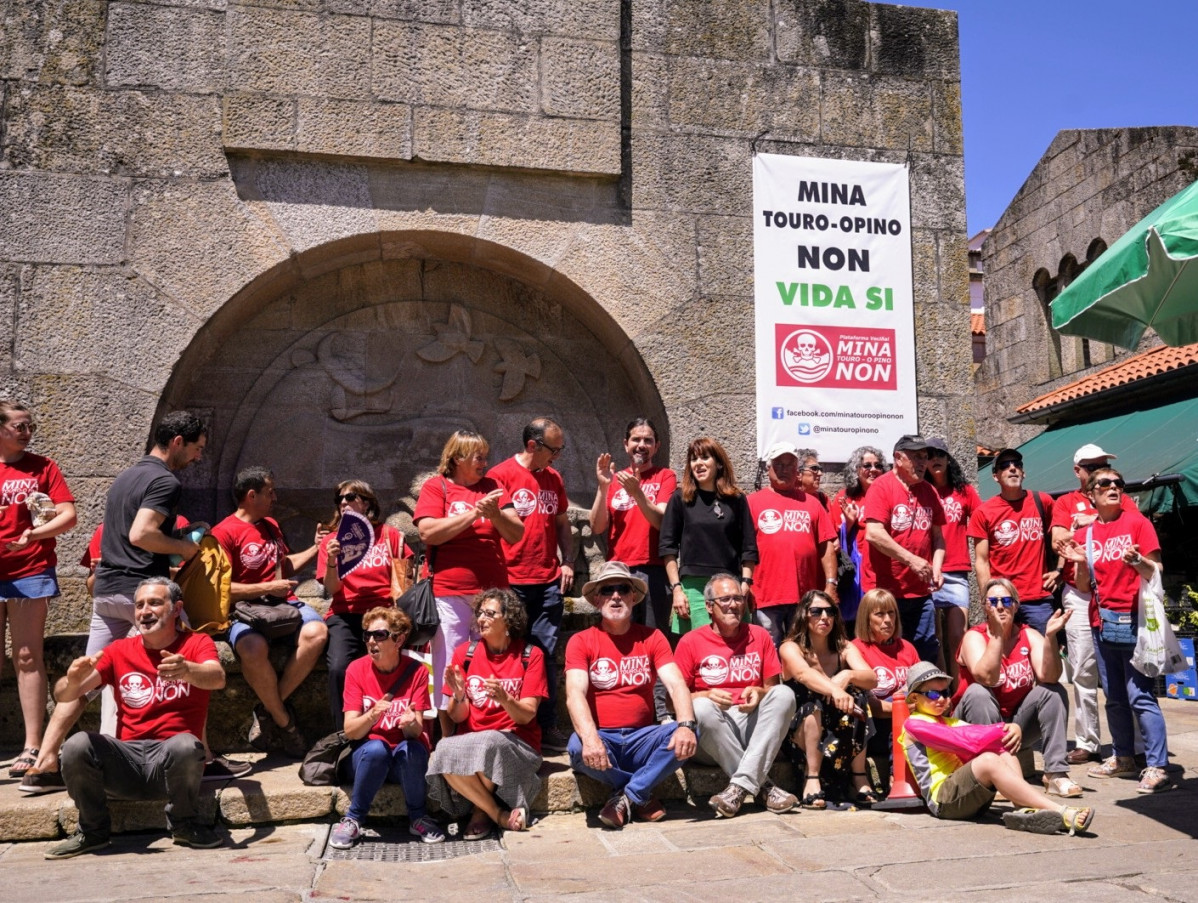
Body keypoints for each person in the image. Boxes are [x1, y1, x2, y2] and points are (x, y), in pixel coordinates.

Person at [20, 411, 207, 795]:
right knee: (190, 666)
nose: (198, 458)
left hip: (106, 592)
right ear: (177, 442)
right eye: (196, 449)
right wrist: (184, 548)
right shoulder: (164, 480)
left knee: (86, 680)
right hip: (143, 595)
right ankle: (206, 757)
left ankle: (43, 763)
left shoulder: (126, 476)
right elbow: (142, 534)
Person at [45, 577, 226, 858]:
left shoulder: (196, 643)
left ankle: (185, 824)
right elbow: (65, 696)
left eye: (154, 602)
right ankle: (92, 832)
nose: (144, 611)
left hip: (171, 764)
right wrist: (71, 680)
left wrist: (187, 669)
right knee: (77, 745)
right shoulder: (119, 650)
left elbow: (217, 677)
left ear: (176, 608)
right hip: (126, 761)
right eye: (139, 605)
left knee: (186, 745)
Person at [1061, 467, 1173, 793]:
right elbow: (1083, 585)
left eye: (1117, 483)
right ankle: (1123, 757)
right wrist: (1080, 560)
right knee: (1114, 696)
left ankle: (1157, 765)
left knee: (1141, 695)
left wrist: (1138, 560)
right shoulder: (1088, 534)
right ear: (1091, 495)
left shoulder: (1138, 523)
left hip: (1136, 621)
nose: (1113, 487)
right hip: (1103, 622)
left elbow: (1157, 571)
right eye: (1104, 484)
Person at [564, 561, 698, 829]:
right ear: (596, 600)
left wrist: (685, 725)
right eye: (607, 590)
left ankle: (626, 796)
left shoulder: (652, 637)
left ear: (634, 597)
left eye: (623, 589)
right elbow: (574, 694)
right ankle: (641, 792)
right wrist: (591, 738)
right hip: (604, 739)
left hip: (643, 738)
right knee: (577, 747)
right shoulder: (581, 641)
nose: (616, 596)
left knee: (692, 729)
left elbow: (676, 684)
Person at [212, 466, 328, 758]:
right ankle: (285, 722)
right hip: (244, 610)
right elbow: (218, 588)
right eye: (269, 492)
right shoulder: (222, 533)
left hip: (283, 605)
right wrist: (264, 587)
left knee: (317, 632)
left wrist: (316, 548)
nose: (275, 497)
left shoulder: (270, 525)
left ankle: (266, 710)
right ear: (251, 495)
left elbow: (283, 566)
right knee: (252, 648)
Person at [900, 662, 1095, 836]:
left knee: (1005, 747)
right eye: (933, 694)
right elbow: (967, 741)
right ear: (915, 698)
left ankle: (1023, 808)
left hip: (966, 796)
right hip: (943, 801)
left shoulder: (950, 721)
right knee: (989, 759)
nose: (941, 699)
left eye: (945, 693)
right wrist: (1004, 728)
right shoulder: (914, 725)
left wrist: (1012, 730)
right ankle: (1060, 811)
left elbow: (980, 733)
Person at [414, 430, 523, 739]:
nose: (484, 462)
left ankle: (484, 729)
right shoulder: (437, 488)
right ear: (457, 458)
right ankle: (447, 739)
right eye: (478, 456)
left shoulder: (494, 488)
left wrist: (495, 515)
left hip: (491, 596)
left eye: (485, 456)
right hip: (449, 595)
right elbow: (428, 533)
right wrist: (476, 512)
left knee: (489, 662)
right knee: (450, 664)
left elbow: (516, 534)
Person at [427, 588, 548, 840]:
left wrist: (505, 699)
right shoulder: (465, 654)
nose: (481, 619)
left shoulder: (530, 655)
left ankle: (479, 814)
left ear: (509, 619)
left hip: (518, 743)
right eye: (479, 613)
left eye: (490, 613)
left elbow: (526, 716)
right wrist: (459, 696)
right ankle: (496, 814)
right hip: (475, 740)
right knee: (444, 750)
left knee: (490, 741)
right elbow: (458, 717)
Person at [674, 573, 796, 817]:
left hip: (752, 728)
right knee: (701, 708)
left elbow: (771, 689)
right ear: (709, 607)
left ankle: (737, 789)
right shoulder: (690, 642)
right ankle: (764, 787)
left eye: (738, 598)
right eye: (726, 599)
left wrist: (760, 693)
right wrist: (704, 695)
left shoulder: (759, 635)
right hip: (711, 736)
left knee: (784, 693)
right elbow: (672, 700)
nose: (734, 604)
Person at [0, 401, 77, 779]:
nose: (27, 432)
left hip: (29, 569)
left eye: (30, 425)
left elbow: (68, 515)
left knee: (28, 656)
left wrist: (35, 534)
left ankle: (32, 746)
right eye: (19, 426)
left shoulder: (43, 467)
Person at [489, 418, 573, 751]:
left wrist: (567, 560)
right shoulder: (500, 476)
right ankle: (512, 727)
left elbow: (563, 523)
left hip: (548, 581)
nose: (558, 456)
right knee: (511, 655)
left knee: (544, 654)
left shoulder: (553, 478)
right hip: (511, 581)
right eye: (555, 449)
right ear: (533, 445)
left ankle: (547, 725)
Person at [1049, 444, 1137, 765]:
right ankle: (1087, 741)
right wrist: (1095, 520)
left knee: (1129, 672)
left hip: (1116, 592)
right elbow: (1059, 538)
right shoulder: (1065, 502)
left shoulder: (1119, 494)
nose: (1100, 469)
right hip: (1079, 591)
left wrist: (1089, 521)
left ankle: (1134, 745)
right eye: (1092, 465)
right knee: (1084, 671)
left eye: (1102, 463)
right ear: (1078, 471)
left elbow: (1136, 526)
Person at [329, 606, 445, 848]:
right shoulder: (356, 669)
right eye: (367, 635)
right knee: (377, 748)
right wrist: (372, 715)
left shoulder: (417, 672)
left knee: (411, 749)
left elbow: (417, 733)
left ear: (399, 639)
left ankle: (418, 817)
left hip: (402, 758)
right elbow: (351, 730)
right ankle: (353, 819)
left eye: (379, 635)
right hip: (366, 757)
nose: (371, 641)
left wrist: (411, 723)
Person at [955, 578, 1080, 798]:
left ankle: (1056, 774)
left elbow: (1049, 676)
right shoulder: (974, 637)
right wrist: (997, 637)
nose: (1000, 606)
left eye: (1006, 600)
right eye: (993, 601)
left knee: (1053, 691)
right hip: (974, 722)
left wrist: (1050, 637)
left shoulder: (1028, 634)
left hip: (1014, 724)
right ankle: (999, 773)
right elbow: (986, 677)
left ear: (1016, 604)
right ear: (985, 606)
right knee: (978, 692)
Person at [317, 479, 413, 730]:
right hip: (346, 613)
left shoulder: (389, 535)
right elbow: (333, 589)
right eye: (340, 499)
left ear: (367, 502)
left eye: (351, 497)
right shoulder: (332, 541)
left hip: (384, 612)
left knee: (396, 665)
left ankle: (392, 727)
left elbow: (405, 580)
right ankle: (344, 734)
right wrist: (331, 561)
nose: (344, 503)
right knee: (338, 668)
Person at [779, 590, 878, 809]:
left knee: (859, 697)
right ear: (804, 615)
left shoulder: (844, 647)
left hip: (840, 730)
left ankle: (859, 777)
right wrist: (835, 690)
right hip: (802, 733)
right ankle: (811, 777)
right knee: (812, 707)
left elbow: (872, 678)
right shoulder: (790, 647)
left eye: (830, 611)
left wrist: (849, 674)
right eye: (816, 611)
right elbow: (803, 674)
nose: (824, 617)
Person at [861, 435, 945, 664]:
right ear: (898, 458)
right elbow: (874, 534)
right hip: (886, 591)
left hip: (920, 591)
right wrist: (912, 560)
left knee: (926, 649)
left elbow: (938, 537)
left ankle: (926, 699)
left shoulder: (929, 491)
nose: (922, 462)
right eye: (916, 456)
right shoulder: (881, 487)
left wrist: (936, 569)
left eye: (924, 457)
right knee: (889, 652)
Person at [660, 437, 757, 633]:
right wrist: (677, 589)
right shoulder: (680, 499)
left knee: (732, 643)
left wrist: (745, 583)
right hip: (693, 587)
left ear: (719, 463)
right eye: (694, 459)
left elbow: (748, 548)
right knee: (699, 646)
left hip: (730, 585)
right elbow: (668, 549)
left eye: (705, 457)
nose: (698, 463)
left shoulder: (737, 499)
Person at [589, 417, 677, 633]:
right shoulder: (614, 478)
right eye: (636, 439)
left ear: (657, 446)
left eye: (648, 440)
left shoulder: (665, 476)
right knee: (618, 632)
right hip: (618, 569)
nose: (641, 445)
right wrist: (602, 487)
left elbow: (661, 521)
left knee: (652, 635)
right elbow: (597, 527)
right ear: (625, 444)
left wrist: (637, 493)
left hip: (653, 568)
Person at [747, 442, 837, 645]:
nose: (784, 469)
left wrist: (831, 584)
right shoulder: (751, 503)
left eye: (790, 465)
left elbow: (826, 546)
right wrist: (746, 584)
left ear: (797, 470)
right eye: (778, 464)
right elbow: (742, 548)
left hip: (805, 599)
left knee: (805, 651)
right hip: (765, 597)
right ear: (768, 467)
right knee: (769, 652)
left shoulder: (812, 503)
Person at [969, 447, 1060, 637]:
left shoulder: (1043, 501)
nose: (1012, 468)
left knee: (1044, 656)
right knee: (1005, 657)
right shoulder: (983, 512)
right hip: (1004, 600)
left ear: (1023, 472)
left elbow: (1064, 538)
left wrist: (1059, 571)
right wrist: (989, 598)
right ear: (995, 476)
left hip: (1038, 598)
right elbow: (981, 561)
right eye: (1005, 465)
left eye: (1017, 465)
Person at [923, 438, 981, 676]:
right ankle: (942, 693)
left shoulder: (964, 491)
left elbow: (982, 520)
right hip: (928, 572)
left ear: (949, 459)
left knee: (958, 636)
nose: (936, 459)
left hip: (957, 571)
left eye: (941, 454)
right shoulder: (922, 492)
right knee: (934, 638)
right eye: (931, 455)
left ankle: (960, 693)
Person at [851, 588, 920, 786]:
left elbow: (921, 690)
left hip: (909, 722)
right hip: (875, 729)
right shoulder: (856, 649)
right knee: (899, 705)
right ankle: (896, 777)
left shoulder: (907, 648)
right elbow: (868, 704)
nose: (887, 620)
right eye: (879, 614)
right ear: (866, 618)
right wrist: (903, 706)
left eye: (891, 613)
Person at [830, 446, 887, 619]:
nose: (873, 470)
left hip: (883, 567)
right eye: (867, 466)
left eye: (878, 465)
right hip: (856, 571)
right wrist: (848, 522)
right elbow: (833, 540)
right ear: (856, 470)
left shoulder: (888, 496)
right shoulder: (844, 498)